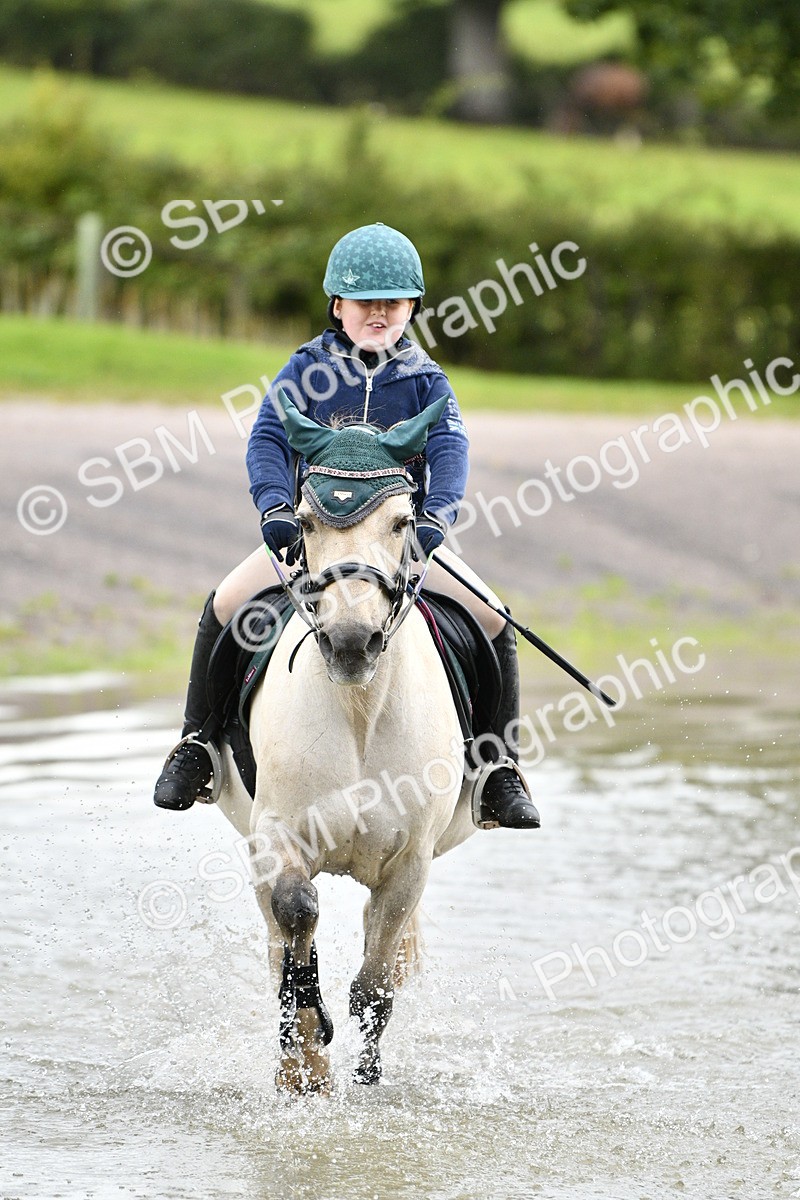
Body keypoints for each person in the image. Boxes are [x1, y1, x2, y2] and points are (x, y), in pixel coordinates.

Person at [153, 223, 540, 830]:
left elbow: (449, 450)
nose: (380, 313)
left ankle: (499, 770)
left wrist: (436, 518)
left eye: (393, 302)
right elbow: (267, 440)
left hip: (396, 541)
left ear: (412, 307)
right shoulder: (305, 369)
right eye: (367, 302)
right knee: (226, 604)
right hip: (313, 535)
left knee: (494, 618)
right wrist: (276, 507)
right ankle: (198, 744)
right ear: (339, 305)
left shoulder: (426, 381)